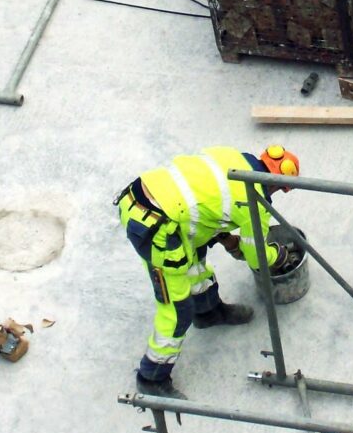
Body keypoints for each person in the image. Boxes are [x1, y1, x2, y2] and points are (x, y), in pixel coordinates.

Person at [114, 145, 302, 399]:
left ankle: (208, 311)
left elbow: (205, 201)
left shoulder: (234, 158)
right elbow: (257, 258)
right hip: (155, 225)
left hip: (146, 196)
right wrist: (276, 255)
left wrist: (225, 238)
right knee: (177, 310)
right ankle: (151, 377)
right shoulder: (252, 202)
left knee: (197, 255)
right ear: (278, 185)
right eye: (280, 189)